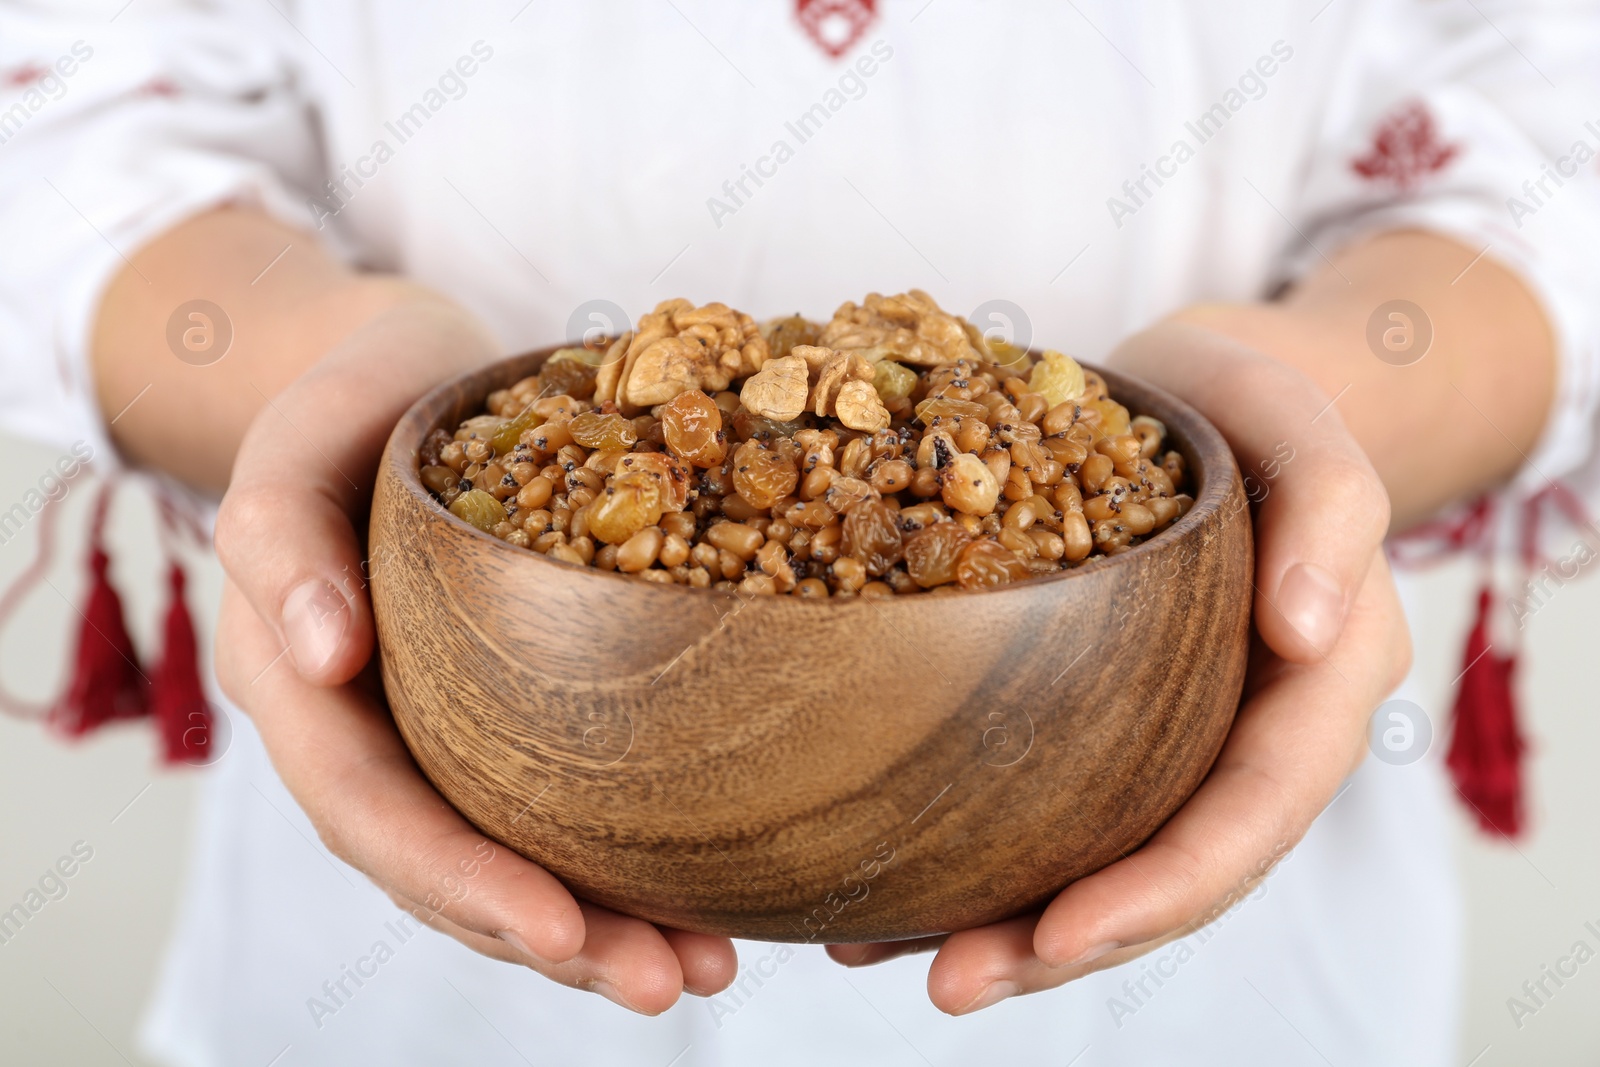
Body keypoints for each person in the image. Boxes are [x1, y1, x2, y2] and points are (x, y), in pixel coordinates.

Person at [2, 1, 1597, 1063]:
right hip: (422, 878)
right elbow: (59, 114)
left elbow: (1557, 142)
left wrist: (1314, 417)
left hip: (1181, 847)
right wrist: (315, 379)